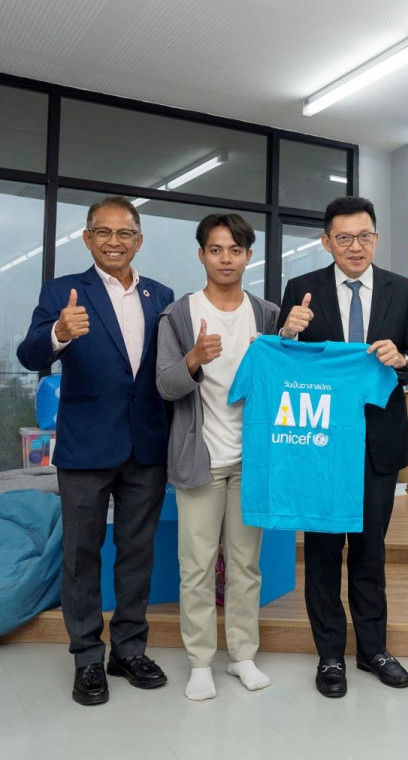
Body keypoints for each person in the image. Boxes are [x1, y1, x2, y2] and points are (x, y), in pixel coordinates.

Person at [17, 196, 174, 705]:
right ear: (87, 238)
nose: (113, 241)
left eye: (124, 233)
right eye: (103, 232)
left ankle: (128, 650)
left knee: (137, 552)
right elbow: (29, 353)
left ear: (138, 240)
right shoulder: (63, 291)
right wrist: (58, 333)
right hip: (86, 447)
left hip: (146, 445)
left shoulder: (160, 295)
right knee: (82, 554)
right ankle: (87, 657)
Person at [278, 196, 408, 697]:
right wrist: (287, 332)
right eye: (344, 238)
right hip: (321, 443)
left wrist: (401, 360)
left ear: (376, 238)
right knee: (322, 552)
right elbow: (286, 363)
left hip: (377, 442)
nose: (355, 246)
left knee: (369, 552)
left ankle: (373, 650)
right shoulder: (303, 289)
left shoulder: (403, 290)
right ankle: (329, 656)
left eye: (364, 236)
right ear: (327, 242)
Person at [155, 213, 278, 701]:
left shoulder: (267, 315)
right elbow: (165, 386)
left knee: (246, 565)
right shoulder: (179, 315)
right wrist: (193, 359)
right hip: (200, 459)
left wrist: (287, 342)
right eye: (216, 249)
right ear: (201, 254)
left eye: (235, 250)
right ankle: (200, 661)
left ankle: (242, 655)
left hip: (252, 461)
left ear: (249, 256)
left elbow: (283, 383)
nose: (226, 259)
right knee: (197, 567)